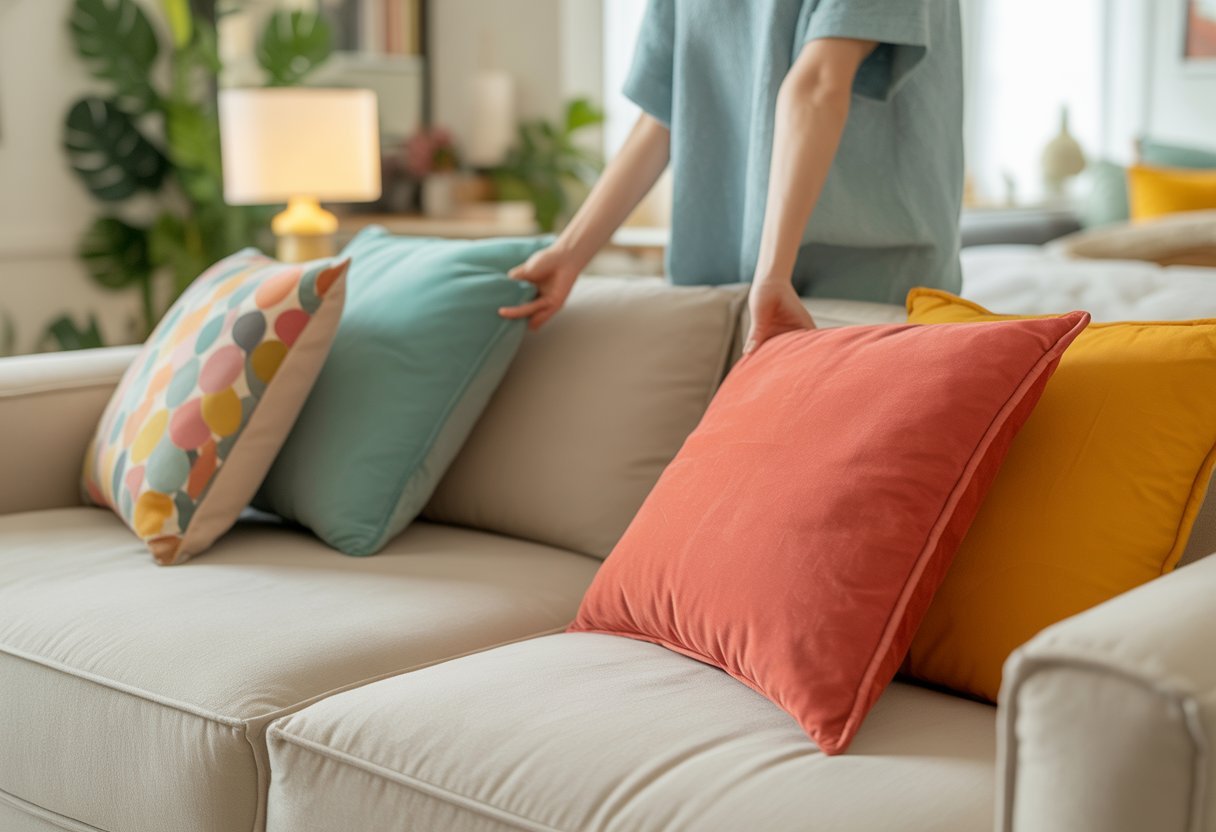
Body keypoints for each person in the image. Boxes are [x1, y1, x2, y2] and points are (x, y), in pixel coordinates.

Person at [500, 0, 963, 355]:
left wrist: (772, 276)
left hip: (867, 280)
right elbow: (665, 112)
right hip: (727, 285)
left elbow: (821, 80)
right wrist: (569, 253)